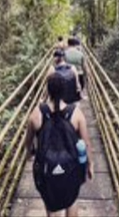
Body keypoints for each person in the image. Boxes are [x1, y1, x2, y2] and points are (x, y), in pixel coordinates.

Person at [26, 73, 94, 217]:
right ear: (64, 90)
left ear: (48, 90)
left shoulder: (37, 113)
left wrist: (29, 154)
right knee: (72, 200)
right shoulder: (76, 113)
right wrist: (90, 164)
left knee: (51, 206)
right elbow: (86, 143)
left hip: (46, 169)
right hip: (72, 166)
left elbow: (29, 142)